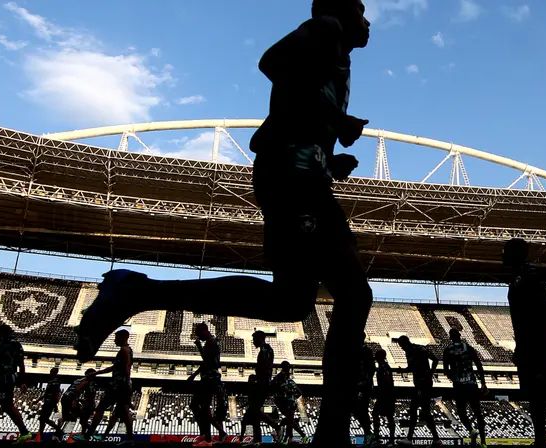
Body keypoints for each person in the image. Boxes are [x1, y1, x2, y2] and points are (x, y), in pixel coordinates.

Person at [73, 1, 372, 444]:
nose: (368, 22)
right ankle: (333, 435)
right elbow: (272, 62)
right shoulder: (326, 29)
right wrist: (336, 120)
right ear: (342, 13)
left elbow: (294, 112)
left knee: (292, 303)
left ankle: (139, 292)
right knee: (354, 294)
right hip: (294, 177)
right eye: (361, 11)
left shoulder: (334, 56)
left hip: (297, 174)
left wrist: (331, 158)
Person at [503, 238, 546, 447]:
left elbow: (545, 313)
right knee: (536, 395)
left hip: (538, 345)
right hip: (530, 345)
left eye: (505, 251)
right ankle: (541, 438)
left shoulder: (530, 277)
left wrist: (534, 346)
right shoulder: (519, 278)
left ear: (515, 253)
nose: (502, 255)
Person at [74, 329, 134, 443]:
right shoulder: (127, 350)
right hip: (122, 385)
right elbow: (114, 368)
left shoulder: (124, 351)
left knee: (101, 408)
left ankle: (87, 436)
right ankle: (130, 439)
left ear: (123, 337)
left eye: (116, 337)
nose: (115, 340)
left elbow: (126, 368)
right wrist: (96, 373)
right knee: (125, 412)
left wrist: (127, 383)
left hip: (118, 385)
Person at [442, 328, 487, 448]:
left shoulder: (448, 351)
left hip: (459, 386)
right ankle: (483, 442)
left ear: (450, 337)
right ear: (460, 335)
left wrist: (453, 378)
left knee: (461, 412)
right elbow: (478, 364)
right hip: (472, 384)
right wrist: (483, 382)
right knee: (478, 413)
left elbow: (445, 369)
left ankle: (471, 430)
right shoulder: (468, 348)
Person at [398, 335, 442, 446]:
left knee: (414, 409)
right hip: (418, 384)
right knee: (425, 412)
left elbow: (435, 359)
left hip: (424, 384)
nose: (402, 348)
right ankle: (436, 440)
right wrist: (403, 370)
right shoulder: (408, 352)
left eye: (402, 346)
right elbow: (411, 368)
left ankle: (409, 439)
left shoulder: (420, 349)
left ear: (407, 343)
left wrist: (431, 372)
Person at [188, 323, 227, 447]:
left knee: (196, 405)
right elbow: (206, 358)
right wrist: (199, 346)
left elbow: (207, 362)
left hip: (209, 378)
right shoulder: (211, 342)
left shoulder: (211, 342)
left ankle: (209, 435)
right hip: (210, 378)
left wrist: (193, 375)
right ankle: (210, 436)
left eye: (199, 335)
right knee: (204, 408)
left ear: (204, 331)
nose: (199, 337)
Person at [252, 331, 282, 437]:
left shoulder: (265, 350)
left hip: (262, 383)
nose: (253, 342)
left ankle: (276, 427)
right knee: (255, 412)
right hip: (263, 382)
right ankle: (257, 438)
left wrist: (256, 377)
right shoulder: (266, 349)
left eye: (254, 339)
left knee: (254, 410)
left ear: (260, 338)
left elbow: (264, 367)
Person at [271, 361, 307, 444]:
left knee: (289, 420)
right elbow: (299, 393)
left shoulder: (283, 377)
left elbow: (274, 385)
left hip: (286, 402)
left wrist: (285, 395)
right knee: (289, 420)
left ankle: (294, 437)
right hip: (289, 402)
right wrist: (292, 396)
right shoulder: (287, 379)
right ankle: (289, 438)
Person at [60, 368, 97, 437]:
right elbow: (78, 389)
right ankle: (91, 431)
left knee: (67, 418)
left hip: (65, 397)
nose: (95, 376)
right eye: (94, 375)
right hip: (71, 399)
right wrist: (75, 400)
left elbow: (74, 389)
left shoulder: (78, 380)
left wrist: (79, 400)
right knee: (81, 418)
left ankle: (58, 434)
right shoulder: (86, 381)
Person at [354, 335, 376, 445]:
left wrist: (363, 383)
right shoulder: (357, 350)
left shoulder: (366, 351)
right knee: (357, 410)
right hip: (358, 386)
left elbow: (371, 369)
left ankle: (368, 434)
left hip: (363, 387)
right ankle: (368, 433)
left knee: (361, 410)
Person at [372, 349, 396, 446]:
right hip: (386, 395)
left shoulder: (384, 368)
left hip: (385, 396)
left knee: (383, 416)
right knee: (387, 417)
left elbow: (386, 383)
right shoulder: (384, 367)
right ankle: (389, 439)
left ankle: (382, 438)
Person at [238, 375, 264, 445]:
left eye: (250, 379)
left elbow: (253, 400)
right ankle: (258, 440)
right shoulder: (253, 388)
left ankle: (255, 440)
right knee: (255, 425)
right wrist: (243, 406)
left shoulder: (254, 388)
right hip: (253, 408)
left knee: (254, 424)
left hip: (253, 409)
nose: (248, 380)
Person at [38, 367, 63, 441]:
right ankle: (40, 435)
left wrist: (55, 404)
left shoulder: (56, 381)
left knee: (43, 418)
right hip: (47, 402)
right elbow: (46, 393)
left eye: (51, 371)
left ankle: (58, 429)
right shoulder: (50, 381)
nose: (50, 372)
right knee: (42, 420)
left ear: (55, 372)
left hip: (50, 402)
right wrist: (38, 400)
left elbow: (57, 393)